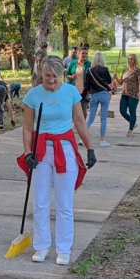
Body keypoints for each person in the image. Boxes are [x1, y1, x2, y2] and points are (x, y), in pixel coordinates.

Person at [22, 56, 97, 265]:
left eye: (55, 77)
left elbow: (80, 122)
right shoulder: (33, 95)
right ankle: (41, 246)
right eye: (47, 76)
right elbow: (27, 128)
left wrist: (90, 148)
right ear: (41, 74)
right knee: (41, 202)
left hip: (64, 148)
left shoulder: (71, 92)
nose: (52, 81)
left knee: (65, 203)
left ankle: (64, 249)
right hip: (40, 150)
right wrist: (28, 153)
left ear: (61, 75)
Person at [83, 52, 114, 147]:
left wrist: (84, 96)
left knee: (91, 117)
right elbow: (109, 81)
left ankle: (82, 138)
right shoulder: (105, 69)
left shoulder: (89, 71)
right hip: (104, 94)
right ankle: (102, 140)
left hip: (94, 95)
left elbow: (86, 85)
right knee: (103, 118)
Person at [113, 54, 140, 137]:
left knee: (132, 111)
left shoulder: (137, 70)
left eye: (132, 59)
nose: (130, 61)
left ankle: (130, 129)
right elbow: (121, 82)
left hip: (133, 94)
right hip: (125, 93)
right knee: (122, 111)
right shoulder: (125, 70)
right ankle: (132, 122)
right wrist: (116, 78)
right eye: (129, 59)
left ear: (135, 60)